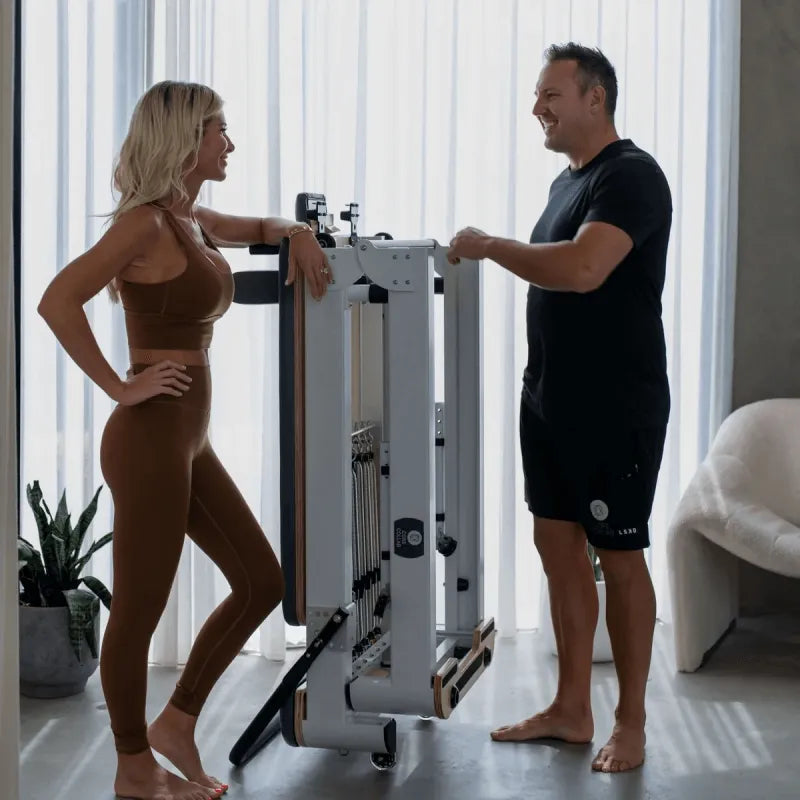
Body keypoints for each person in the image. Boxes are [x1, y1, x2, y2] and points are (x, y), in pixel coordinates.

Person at [37, 80, 332, 800]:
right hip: (151, 437)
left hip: (187, 437)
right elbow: (57, 298)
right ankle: (133, 764)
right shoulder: (144, 225)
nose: (229, 143)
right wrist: (120, 385)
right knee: (139, 610)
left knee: (264, 581)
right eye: (219, 131)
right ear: (185, 137)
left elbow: (257, 227)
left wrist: (294, 232)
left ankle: (176, 723)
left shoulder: (189, 219)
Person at [447, 43, 672, 773]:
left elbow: (582, 268)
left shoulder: (632, 176)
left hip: (616, 407)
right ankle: (572, 708)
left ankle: (630, 721)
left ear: (595, 99)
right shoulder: (564, 182)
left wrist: (489, 245)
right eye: (538, 97)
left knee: (619, 555)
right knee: (556, 548)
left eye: (551, 95)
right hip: (549, 400)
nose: (537, 108)